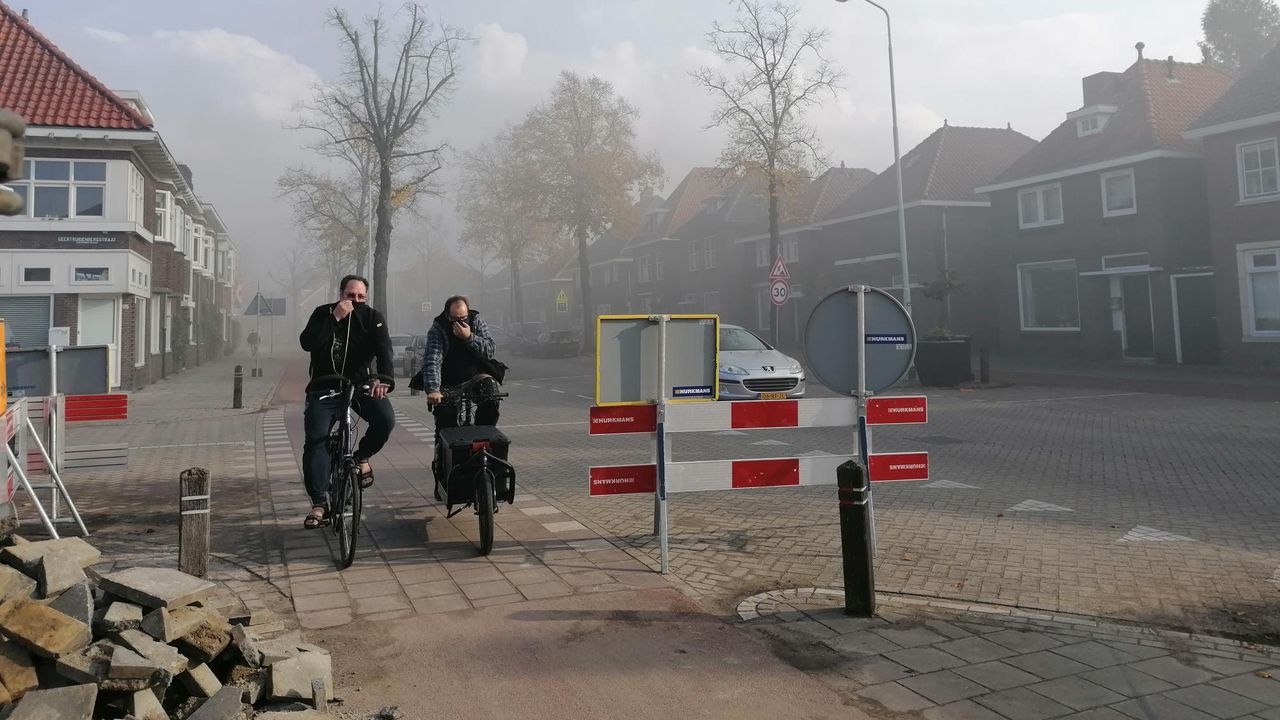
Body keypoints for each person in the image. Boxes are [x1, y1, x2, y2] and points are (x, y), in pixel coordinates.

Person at [298, 275, 395, 529]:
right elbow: (308, 343)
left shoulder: (373, 318)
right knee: (316, 438)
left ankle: (361, 457)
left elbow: (384, 349)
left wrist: (382, 379)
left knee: (385, 420)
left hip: (360, 385)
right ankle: (319, 502)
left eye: (361, 297)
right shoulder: (323, 313)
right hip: (325, 386)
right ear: (341, 293)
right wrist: (335, 319)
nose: (356, 301)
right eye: (351, 296)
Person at [422, 296, 499, 429]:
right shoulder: (438, 329)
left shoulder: (476, 321)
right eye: (455, 319)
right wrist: (434, 389)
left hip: (476, 375)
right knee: (445, 414)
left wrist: (469, 337)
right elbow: (432, 359)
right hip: (448, 378)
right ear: (447, 316)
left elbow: (490, 350)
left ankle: (483, 437)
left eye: (463, 319)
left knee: (491, 401)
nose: (459, 323)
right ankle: (445, 444)